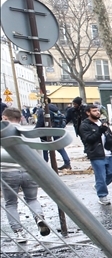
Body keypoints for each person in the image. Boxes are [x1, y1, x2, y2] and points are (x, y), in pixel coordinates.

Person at [1, 108, 51, 242]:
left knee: (11, 203)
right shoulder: (30, 133)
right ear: (20, 118)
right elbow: (39, 154)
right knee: (32, 199)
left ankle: (19, 233)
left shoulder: (2, 134)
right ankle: (39, 217)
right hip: (29, 171)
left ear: (5, 118)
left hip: (7, 172)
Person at [78, 103, 112, 205]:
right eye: (94, 111)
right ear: (88, 113)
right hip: (96, 154)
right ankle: (102, 196)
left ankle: (98, 186)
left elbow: (109, 136)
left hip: (109, 153)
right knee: (101, 177)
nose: (97, 112)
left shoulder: (102, 123)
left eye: (98, 110)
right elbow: (88, 140)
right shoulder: (84, 125)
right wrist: (99, 131)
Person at [36, 101, 71, 170]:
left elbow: (40, 123)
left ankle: (45, 164)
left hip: (45, 132)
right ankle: (67, 162)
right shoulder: (54, 108)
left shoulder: (43, 110)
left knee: (45, 148)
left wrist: (35, 131)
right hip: (56, 130)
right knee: (59, 147)